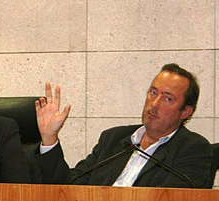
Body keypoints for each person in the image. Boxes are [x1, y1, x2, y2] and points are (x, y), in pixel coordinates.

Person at [35, 63, 214, 188]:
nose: (154, 104)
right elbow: (68, 187)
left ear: (185, 111)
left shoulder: (193, 149)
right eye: (153, 93)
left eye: (168, 98)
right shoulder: (113, 139)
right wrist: (49, 138)